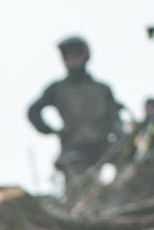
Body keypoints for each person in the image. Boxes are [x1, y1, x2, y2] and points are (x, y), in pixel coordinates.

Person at [27, 37, 125, 194]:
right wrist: (51, 130)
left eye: (75, 56)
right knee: (77, 190)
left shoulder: (102, 89)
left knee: (120, 181)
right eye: (67, 57)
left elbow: (115, 117)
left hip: (104, 147)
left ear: (84, 56)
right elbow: (33, 111)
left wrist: (119, 135)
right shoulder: (58, 89)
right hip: (74, 149)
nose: (71, 61)